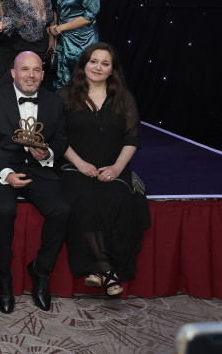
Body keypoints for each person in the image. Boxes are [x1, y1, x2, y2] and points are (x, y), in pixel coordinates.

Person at [58, 43, 148, 296]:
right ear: (84, 64)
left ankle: (97, 271)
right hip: (74, 166)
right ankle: (107, 270)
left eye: (104, 63)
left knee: (120, 200)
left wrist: (118, 168)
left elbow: (132, 138)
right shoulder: (65, 95)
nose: (98, 67)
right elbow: (59, 138)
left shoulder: (123, 97)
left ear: (112, 70)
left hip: (113, 167)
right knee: (85, 198)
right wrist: (81, 164)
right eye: (93, 61)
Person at [0, 51, 69, 314]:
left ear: (43, 75)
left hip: (38, 169)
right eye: (25, 70)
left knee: (62, 210)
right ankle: (4, 279)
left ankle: (41, 271)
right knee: (4, 211)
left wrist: (48, 154)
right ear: (13, 72)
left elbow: (61, 138)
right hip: (4, 168)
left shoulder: (55, 103)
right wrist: (5, 174)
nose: (30, 75)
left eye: (36, 70)